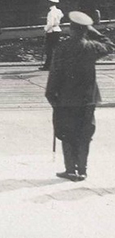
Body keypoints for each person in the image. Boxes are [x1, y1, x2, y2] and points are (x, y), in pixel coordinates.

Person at [45, 10, 113, 181]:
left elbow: (55, 73)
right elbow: (110, 45)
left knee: (67, 134)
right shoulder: (92, 47)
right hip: (88, 99)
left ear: (71, 29)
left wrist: (50, 94)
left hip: (66, 98)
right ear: (85, 30)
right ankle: (82, 170)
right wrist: (93, 31)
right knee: (84, 135)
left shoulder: (61, 48)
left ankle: (70, 169)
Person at [39, 0, 64, 70]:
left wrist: (45, 29)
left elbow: (51, 23)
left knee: (49, 49)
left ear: (49, 3)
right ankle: (53, 65)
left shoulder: (51, 12)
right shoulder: (58, 11)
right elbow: (61, 16)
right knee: (54, 49)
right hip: (57, 30)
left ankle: (47, 65)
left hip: (51, 31)